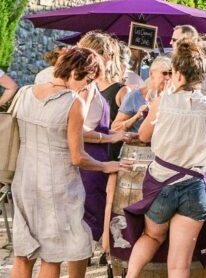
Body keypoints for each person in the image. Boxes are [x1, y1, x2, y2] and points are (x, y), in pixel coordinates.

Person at [11, 46, 126, 278]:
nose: (86, 87)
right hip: (56, 187)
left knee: (23, 256)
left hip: (23, 182)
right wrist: (105, 166)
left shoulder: (24, 92)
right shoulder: (73, 103)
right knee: (51, 257)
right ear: (76, 72)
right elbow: (77, 157)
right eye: (88, 80)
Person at [123, 40, 206, 278]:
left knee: (152, 236)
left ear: (177, 73)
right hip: (195, 188)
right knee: (180, 265)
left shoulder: (162, 102)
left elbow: (143, 136)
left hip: (162, 185)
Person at [77, 31, 130, 240]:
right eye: (111, 55)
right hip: (89, 160)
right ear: (104, 56)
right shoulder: (85, 88)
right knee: (89, 217)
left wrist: (119, 134)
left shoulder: (93, 86)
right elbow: (77, 130)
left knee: (95, 214)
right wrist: (109, 137)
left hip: (100, 158)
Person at [112, 55, 172, 134]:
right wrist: (136, 117)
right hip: (137, 141)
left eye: (171, 74)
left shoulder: (173, 98)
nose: (168, 77)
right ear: (151, 74)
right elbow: (115, 128)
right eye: (164, 73)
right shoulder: (134, 97)